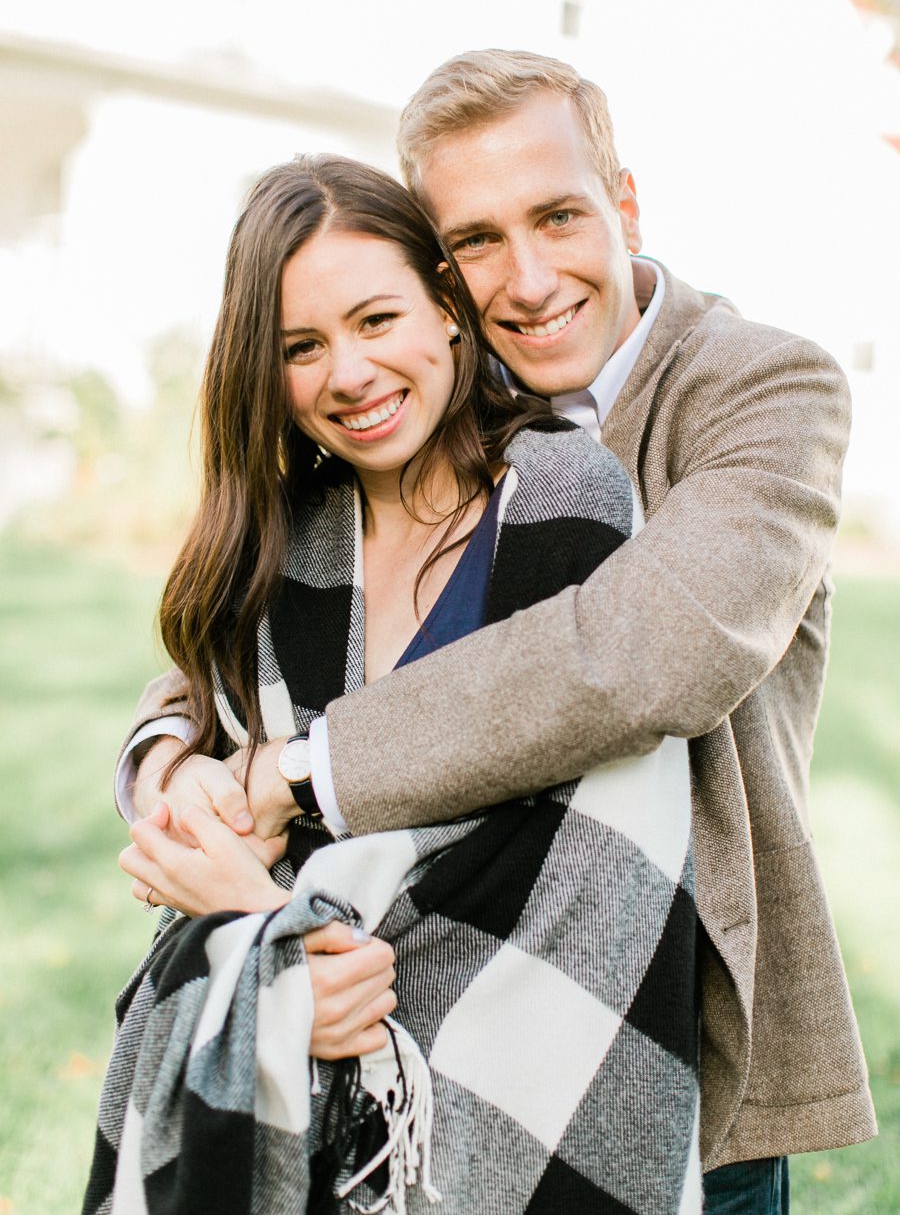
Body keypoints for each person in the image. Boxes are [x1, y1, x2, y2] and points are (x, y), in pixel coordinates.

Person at [118, 51, 877, 1213]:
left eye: (560, 217)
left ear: (624, 203)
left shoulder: (760, 388)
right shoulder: (423, 423)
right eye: (477, 241)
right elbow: (228, 660)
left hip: (653, 1019)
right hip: (402, 1036)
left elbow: (648, 652)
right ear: (439, 269)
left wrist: (301, 774)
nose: (527, 279)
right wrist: (176, 777)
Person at [86, 154, 701, 1215]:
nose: (349, 374)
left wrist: (255, 915)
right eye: (302, 348)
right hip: (320, 1116)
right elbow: (197, 704)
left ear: (447, 311)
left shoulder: (561, 497)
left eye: (377, 320)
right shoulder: (286, 537)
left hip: (539, 1066)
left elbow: (520, 803)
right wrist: (166, 772)